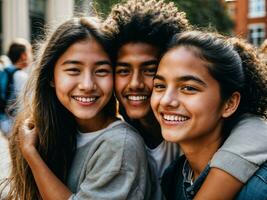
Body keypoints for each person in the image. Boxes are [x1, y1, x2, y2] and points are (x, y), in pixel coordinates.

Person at [103, 0, 267, 199]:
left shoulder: (244, 144)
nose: (135, 83)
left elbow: (257, 131)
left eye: (150, 71)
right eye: (161, 85)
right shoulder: (176, 174)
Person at [1, 17, 151, 200]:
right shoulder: (46, 130)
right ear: (51, 78)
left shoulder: (120, 144)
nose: (87, 85)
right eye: (73, 70)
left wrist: (32, 156)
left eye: (101, 71)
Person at [151, 31, 267, 200]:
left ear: (229, 104)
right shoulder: (173, 177)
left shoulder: (259, 190)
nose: (166, 100)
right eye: (160, 85)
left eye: (189, 88)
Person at [0, 38, 32, 135]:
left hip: (3, 123)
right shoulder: (21, 77)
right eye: (30, 52)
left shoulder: (4, 72)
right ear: (24, 56)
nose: (32, 56)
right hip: (15, 127)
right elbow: (25, 107)